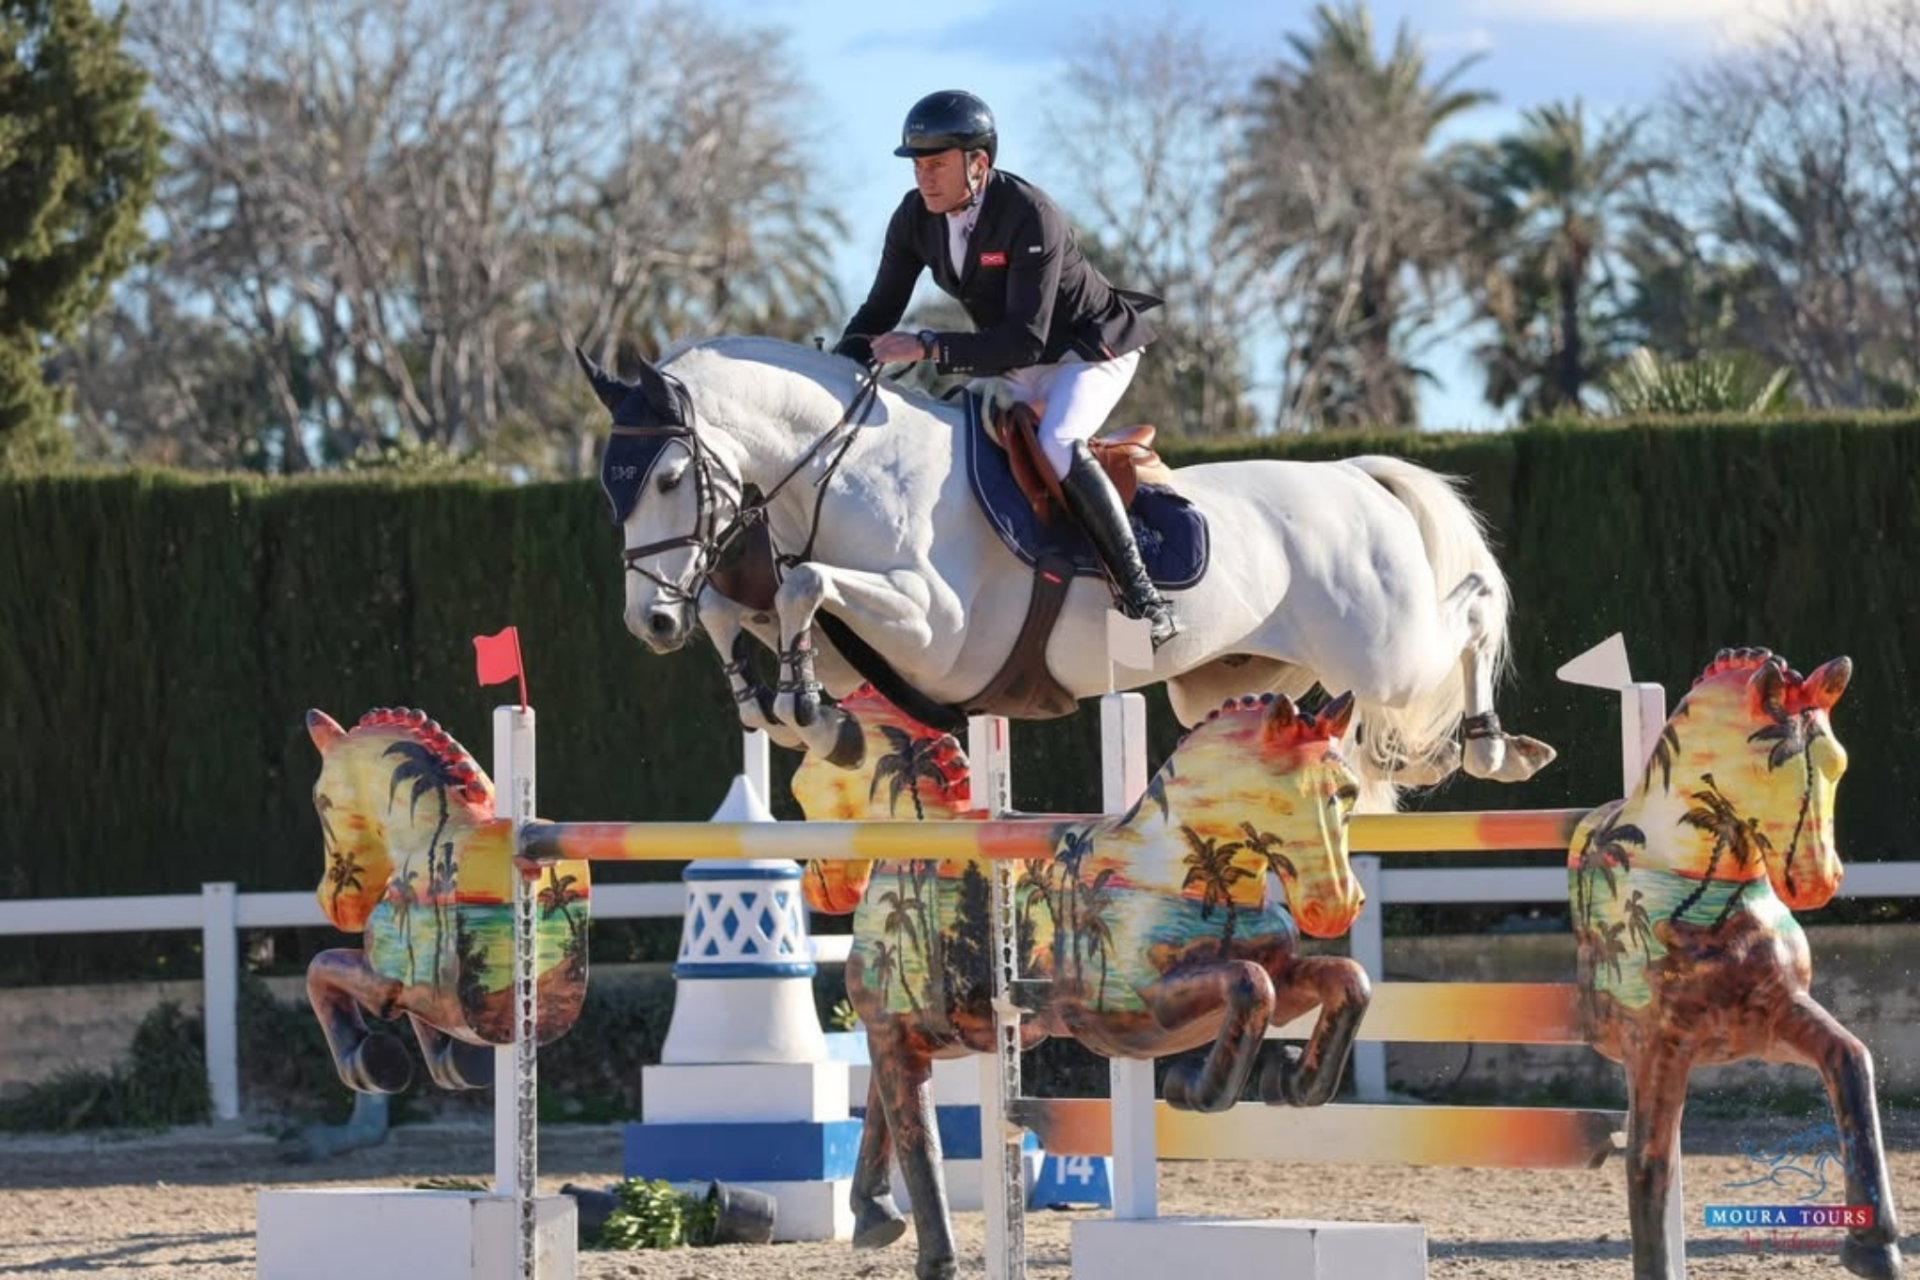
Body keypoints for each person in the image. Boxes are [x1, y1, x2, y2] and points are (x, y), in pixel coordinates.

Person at [832, 89, 1178, 649]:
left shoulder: (1029, 214)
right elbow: (877, 313)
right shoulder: (914, 218)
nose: (925, 178)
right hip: (1017, 355)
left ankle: (1145, 601)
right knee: (951, 435)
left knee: (1060, 441)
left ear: (979, 163)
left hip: (1088, 349)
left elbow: (1024, 339)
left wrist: (926, 345)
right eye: (919, 165)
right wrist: (835, 368)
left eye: (937, 164)